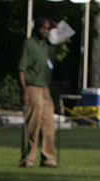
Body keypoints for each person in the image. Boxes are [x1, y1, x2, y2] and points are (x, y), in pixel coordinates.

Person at [18, 18, 59, 168]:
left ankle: (48, 158)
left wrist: (56, 28)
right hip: (32, 87)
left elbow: (61, 41)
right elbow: (21, 69)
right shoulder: (29, 44)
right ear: (37, 28)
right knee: (33, 124)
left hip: (45, 88)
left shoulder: (47, 45)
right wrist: (24, 90)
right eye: (43, 28)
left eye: (48, 29)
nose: (45, 31)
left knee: (48, 124)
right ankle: (28, 158)